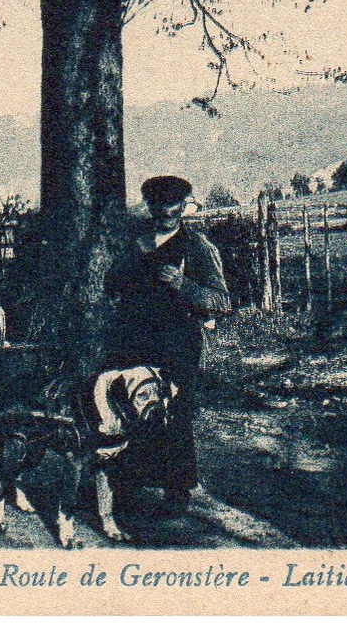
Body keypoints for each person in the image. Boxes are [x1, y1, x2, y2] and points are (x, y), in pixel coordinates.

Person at [106, 174, 231, 515]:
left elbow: (222, 301)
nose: (166, 213)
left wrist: (183, 286)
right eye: (158, 206)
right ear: (149, 207)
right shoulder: (135, 243)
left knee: (173, 413)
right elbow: (111, 285)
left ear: (183, 207)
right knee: (129, 409)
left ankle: (177, 491)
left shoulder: (197, 247)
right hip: (133, 340)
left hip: (177, 344)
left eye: (173, 206)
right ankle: (128, 487)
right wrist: (127, 265)